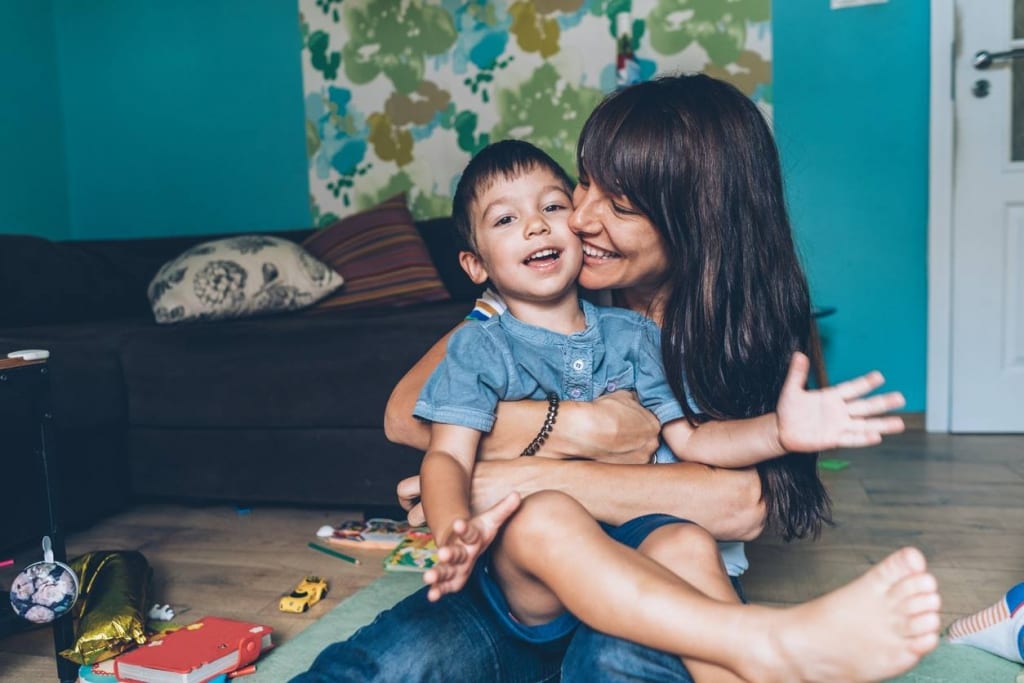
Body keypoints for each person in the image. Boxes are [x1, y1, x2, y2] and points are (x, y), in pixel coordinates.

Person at [291, 73, 940, 683]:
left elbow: (742, 502)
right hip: (524, 579)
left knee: (617, 648)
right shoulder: (536, 295)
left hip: (661, 569)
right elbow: (407, 411)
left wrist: (515, 475)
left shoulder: (735, 325)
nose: (577, 217)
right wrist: (579, 425)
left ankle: (768, 646)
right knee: (377, 665)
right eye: (585, 184)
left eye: (620, 204)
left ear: (697, 220)